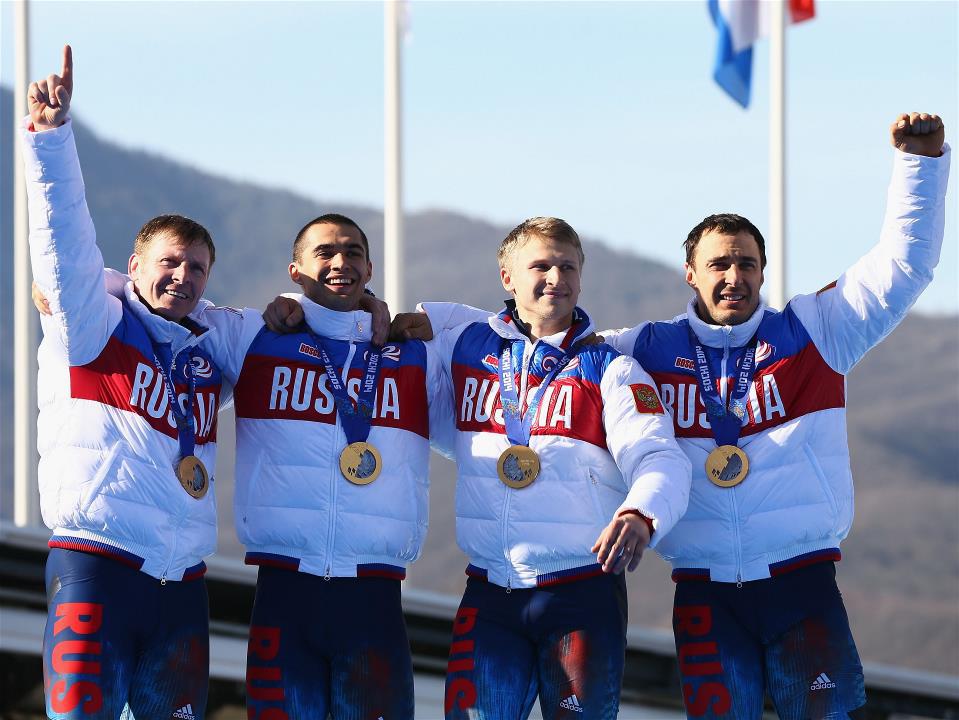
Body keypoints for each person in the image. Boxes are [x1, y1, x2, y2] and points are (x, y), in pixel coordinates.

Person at [410, 114, 951, 720]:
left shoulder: (815, 332)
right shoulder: (642, 350)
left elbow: (902, 269)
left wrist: (920, 167)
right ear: (690, 273)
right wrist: (414, 320)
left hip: (802, 585)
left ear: (763, 272)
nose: (733, 277)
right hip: (703, 593)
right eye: (719, 264)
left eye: (746, 263)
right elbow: (545, 348)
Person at [411, 217, 691, 719]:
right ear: (507, 277)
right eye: (540, 265)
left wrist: (640, 513)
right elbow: (372, 330)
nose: (555, 278)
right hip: (490, 591)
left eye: (568, 266)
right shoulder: (466, 348)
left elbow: (659, 455)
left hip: (581, 595)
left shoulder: (612, 367)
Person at [23, 47, 230, 718]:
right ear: (134, 263)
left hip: (182, 586)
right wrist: (52, 139)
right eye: (170, 262)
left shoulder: (210, 351)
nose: (183, 277)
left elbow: (300, 331)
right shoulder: (91, 325)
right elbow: (63, 243)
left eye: (197, 268)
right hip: (97, 569)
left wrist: (373, 313)